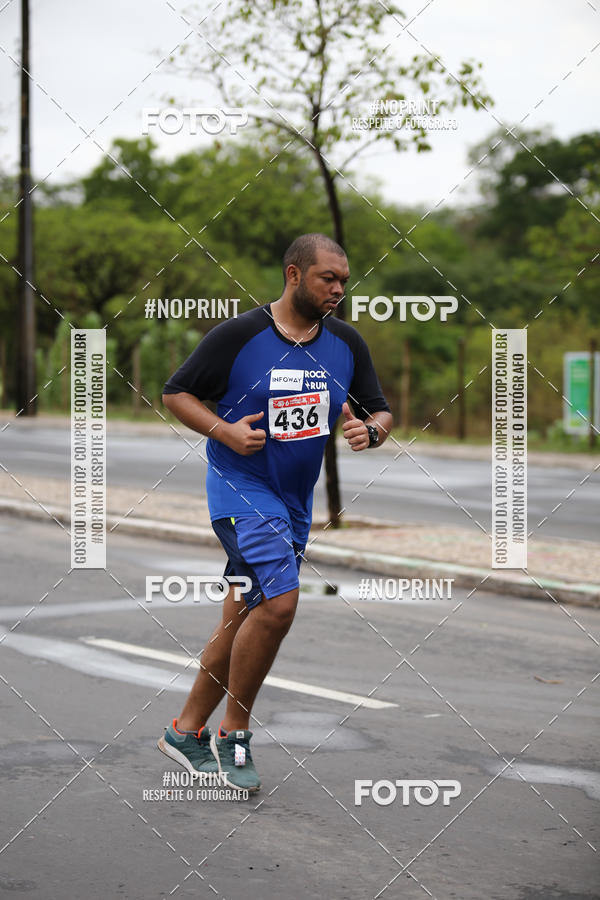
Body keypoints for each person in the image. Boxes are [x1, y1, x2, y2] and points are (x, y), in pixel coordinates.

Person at [157, 233, 393, 792]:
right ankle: (234, 734)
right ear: (293, 275)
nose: (338, 288)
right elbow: (176, 393)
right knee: (282, 605)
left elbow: (380, 410)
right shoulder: (239, 335)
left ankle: (184, 731)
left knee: (242, 618)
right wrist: (225, 431)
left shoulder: (345, 342)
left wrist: (370, 432)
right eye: (327, 278)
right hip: (240, 490)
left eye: (343, 279)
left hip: (294, 503)